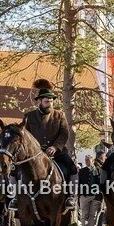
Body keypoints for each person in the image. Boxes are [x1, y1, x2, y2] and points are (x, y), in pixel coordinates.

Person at [23, 79, 77, 212]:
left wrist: (55, 147)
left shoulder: (60, 115)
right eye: (47, 101)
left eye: (52, 101)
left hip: (57, 153)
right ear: (39, 101)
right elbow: (25, 136)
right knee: (15, 170)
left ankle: (71, 196)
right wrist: (36, 150)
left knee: (71, 168)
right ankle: (14, 198)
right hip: (34, 155)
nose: (50, 104)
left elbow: (64, 134)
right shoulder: (29, 117)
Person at [78, 155, 101, 226]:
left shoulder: (98, 170)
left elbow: (100, 182)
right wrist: (80, 194)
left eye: (88, 160)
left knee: (92, 215)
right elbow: (79, 183)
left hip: (95, 196)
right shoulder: (82, 171)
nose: (87, 161)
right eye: (86, 160)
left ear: (93, 160)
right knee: (84, 215)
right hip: (85, 195)